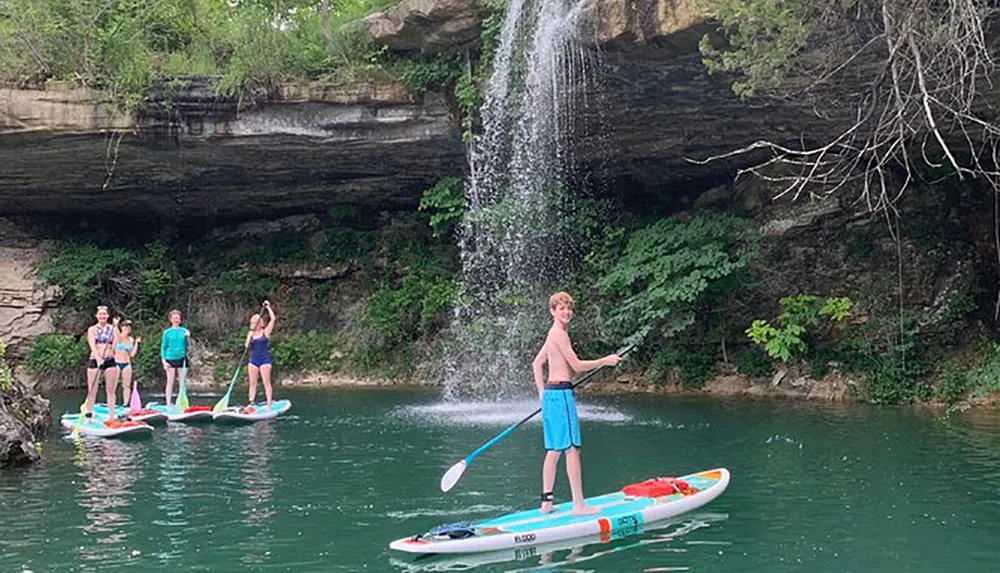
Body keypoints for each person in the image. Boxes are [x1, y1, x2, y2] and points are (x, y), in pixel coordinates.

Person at [531, 292, 620, 515]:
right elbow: (577, 366)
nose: (567, 312)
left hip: (552, 395)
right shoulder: (559, 334)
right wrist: (605, 361)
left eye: (569, 308)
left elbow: (536, 364)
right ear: (553, 311)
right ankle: (579, 505)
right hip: (560, 395)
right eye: (562, 308)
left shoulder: (552, 335)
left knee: (553, 450)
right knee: (571, 449)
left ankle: (546, 502)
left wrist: (542, 394)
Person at [84, 306, 120, 420]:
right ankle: (89, 414)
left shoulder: (112, 328)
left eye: (104, 314)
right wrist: (98, 358)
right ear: (96, 316)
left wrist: (116, 326)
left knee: (111, 390)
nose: (102, 316)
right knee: (92, 389)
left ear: (108, 316)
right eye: (100, 314)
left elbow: (116, 342)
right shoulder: (92, 329)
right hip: (95, 359)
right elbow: (92, 344)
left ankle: (111, 416)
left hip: (109, 359)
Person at [244, 300, 276, 410]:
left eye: (256, 322)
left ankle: (269, 404)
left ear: (260, 323)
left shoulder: (265, 332)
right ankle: (251, 403)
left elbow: (273, 319)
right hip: (253, 360)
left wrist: (268, 307)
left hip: (264, 360)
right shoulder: (250, 333)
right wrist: (249, 337)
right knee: (252, 383)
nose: (254, 324)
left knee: (266, 383)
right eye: (253, 322)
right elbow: (246, 346)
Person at [160, 309, 190, 409]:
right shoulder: (167, 332)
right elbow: (163, 347)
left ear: (180, 319)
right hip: (170, 358)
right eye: (174, 318)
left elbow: (187, 346)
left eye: (177, 318)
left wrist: (187, 337)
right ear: (171, 319)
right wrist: (164, 361)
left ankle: (182, 404)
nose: (176, 320)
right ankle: (168, 404)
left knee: (182, 382)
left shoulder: (184, 331)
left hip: (182, 358)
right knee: (170, 381)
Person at [113, 319, 141, 413]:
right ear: (122, 327)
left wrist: (137, 343)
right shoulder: (117, 337)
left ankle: (126, 403)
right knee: (113, 385)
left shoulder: (131, 339)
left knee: (127, 385)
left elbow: (132, 354)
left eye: (129, 327)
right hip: (116, 362)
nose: (127, 328)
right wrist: (116, 324)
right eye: (125, 326)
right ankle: (112, 403)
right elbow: (117, 335)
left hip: (127, 363)